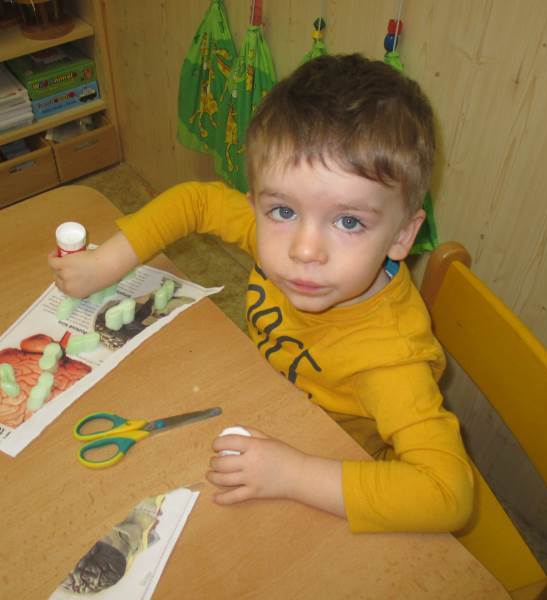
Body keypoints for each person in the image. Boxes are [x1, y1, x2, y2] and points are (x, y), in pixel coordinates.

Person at [48, 53, 474, 533]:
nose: (304, 250)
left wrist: (293, 475)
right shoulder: (283, 239)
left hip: (328, 475)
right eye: (283, 211)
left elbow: (448, 496)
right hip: (262, 406)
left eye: (349, 221)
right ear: (258, 205)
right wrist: (105, 263)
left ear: (402, 236)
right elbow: (197, 200)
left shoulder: (391, 360)